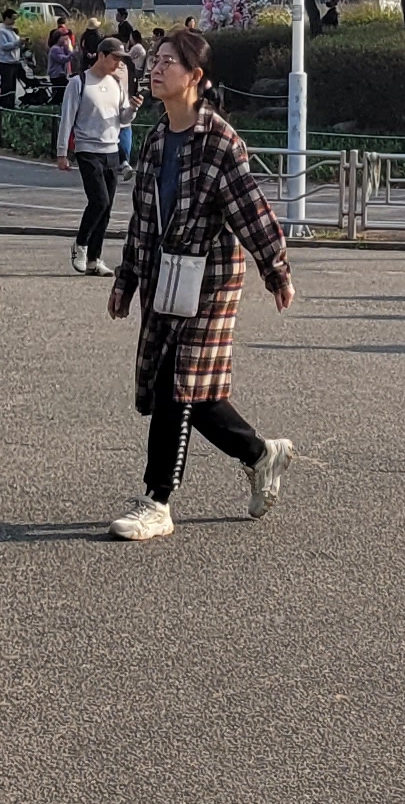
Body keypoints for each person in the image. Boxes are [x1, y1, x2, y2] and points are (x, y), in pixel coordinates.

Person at [102, 27, 297, 541]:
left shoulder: (219, 141)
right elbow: (143, 218)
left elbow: (251, 209)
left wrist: (275, 268)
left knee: (176, 382)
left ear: (195, 76)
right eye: (156, 59)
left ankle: (157, 502)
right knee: (196, 391)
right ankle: (261, 454)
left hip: (209, 281)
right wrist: (126, 278)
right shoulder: (156, 138)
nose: (156, 68)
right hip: (164, 277)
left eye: (168, 61)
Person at [56, 40, 131, 274]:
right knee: (99, 201)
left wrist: (134, 109)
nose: (118, 64)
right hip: (87, 150)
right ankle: (81, 244)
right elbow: (67, 118)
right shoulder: (79, 82)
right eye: (114, 58)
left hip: (112, 150)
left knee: (106, 209)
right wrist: (62, 152)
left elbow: (124, 119)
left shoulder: (116, 83)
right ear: (101, 56)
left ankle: (94, 259)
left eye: (121, 59)